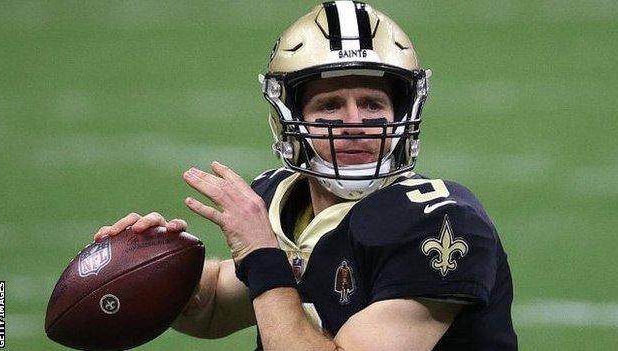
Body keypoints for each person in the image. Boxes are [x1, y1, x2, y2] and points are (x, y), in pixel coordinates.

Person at [93, 1, 517, 350]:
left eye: (372, 103)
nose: (355, 122)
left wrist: (260, 252)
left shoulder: (439, 221)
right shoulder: (279, 197)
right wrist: (151, 262)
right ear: (289, 119)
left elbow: (266, 274)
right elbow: (213, 309)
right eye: (330, 106)